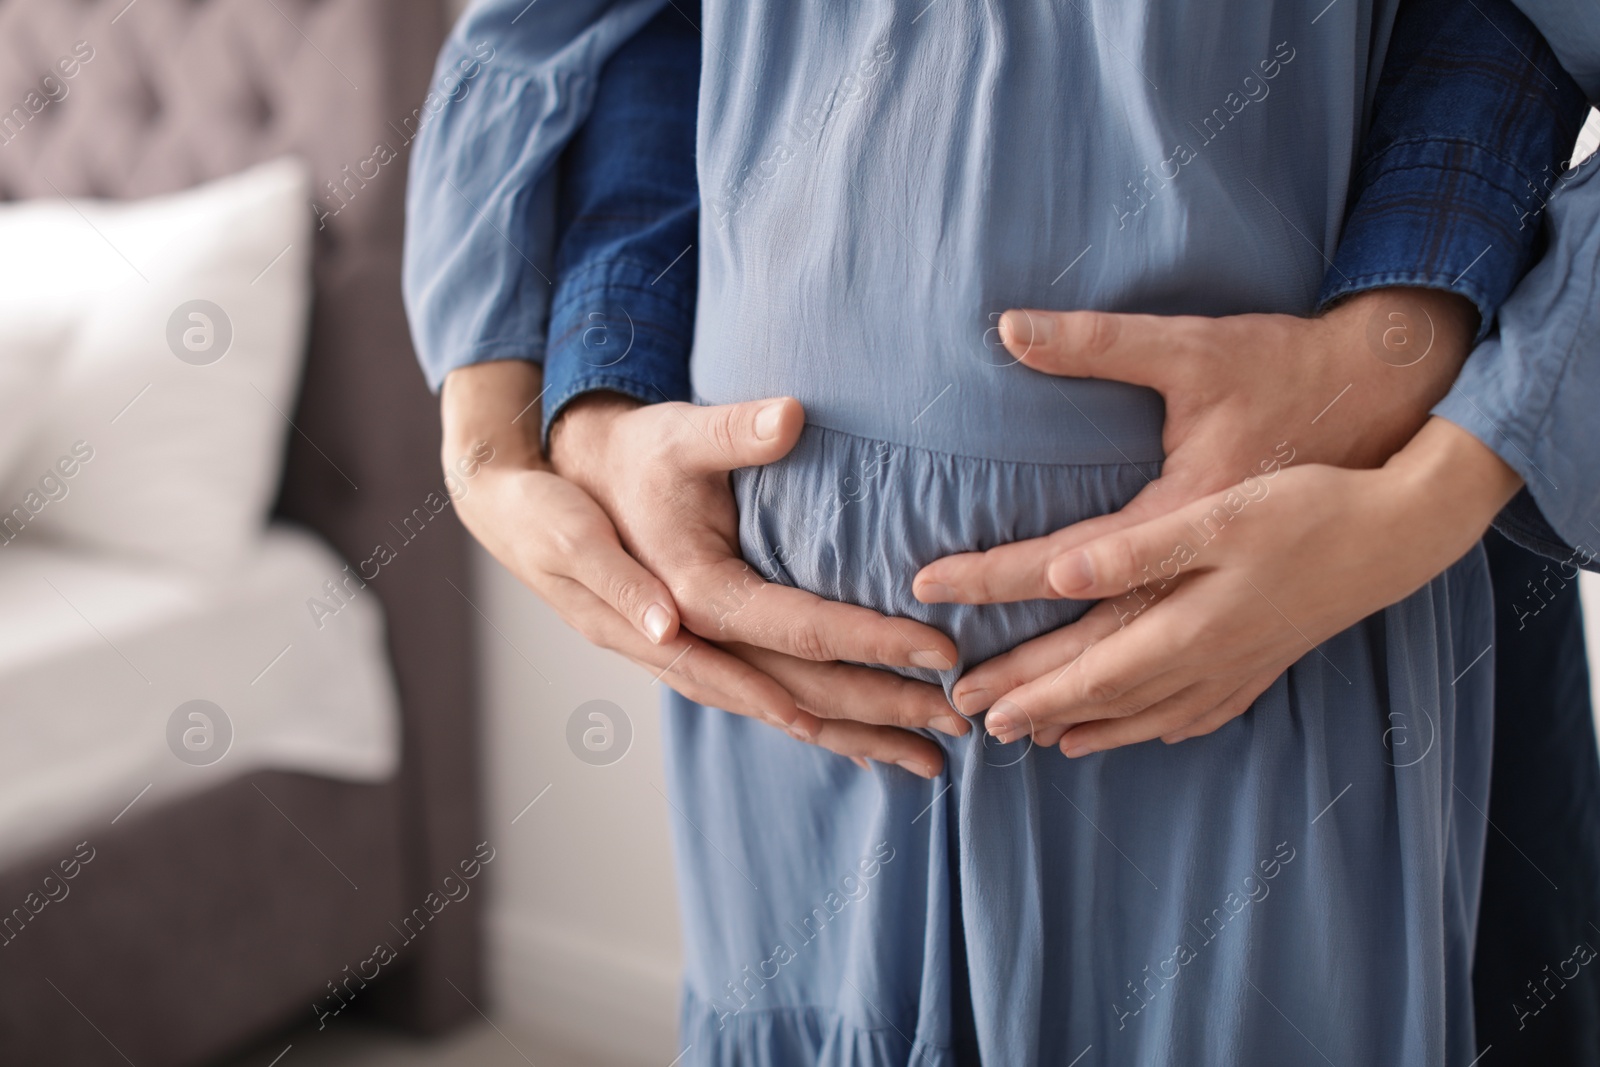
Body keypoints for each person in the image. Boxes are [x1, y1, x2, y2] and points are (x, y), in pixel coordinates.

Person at [404, 1, 1596, 1063]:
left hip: (1258, 636)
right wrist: (532, 427)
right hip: (788, 692)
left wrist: (1430, 483)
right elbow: (585, 30)